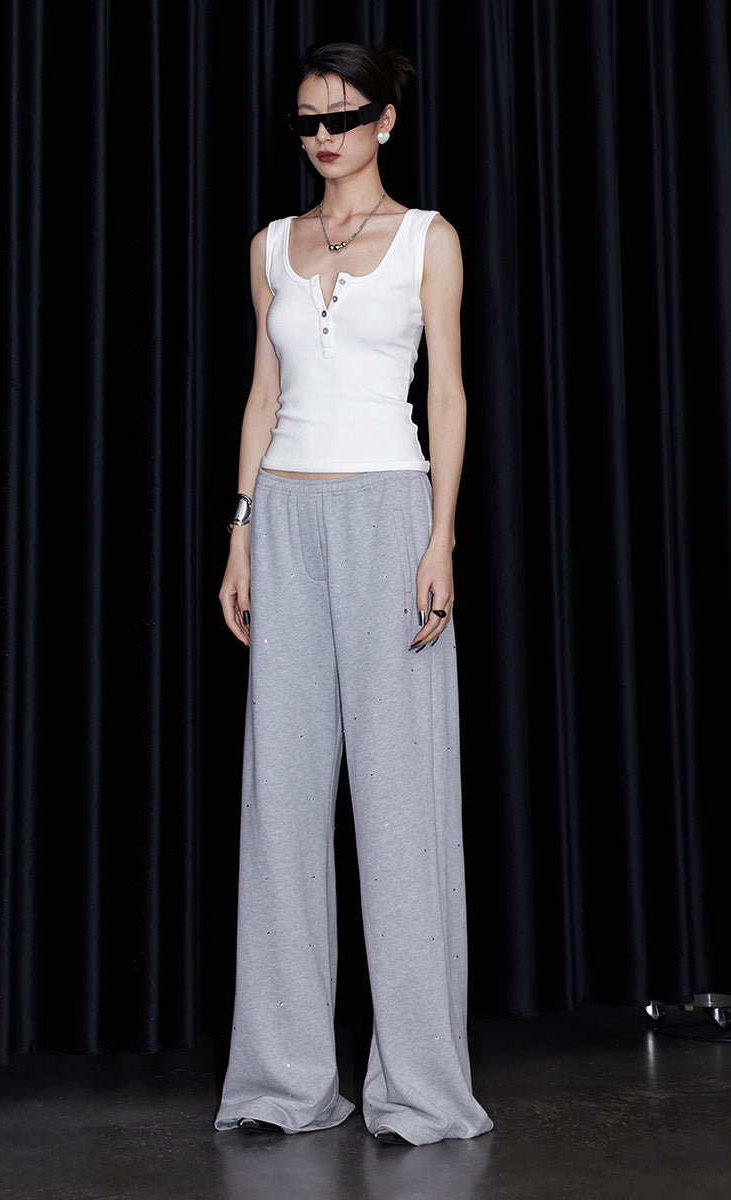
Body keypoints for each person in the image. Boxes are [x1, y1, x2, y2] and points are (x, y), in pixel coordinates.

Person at [215, 42, 493, 1147]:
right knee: (281, 807)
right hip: (285, 516)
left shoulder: (429, 238)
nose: (323, 136)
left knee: (399, 807)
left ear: (385, 121)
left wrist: (441, 538)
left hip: (390, 514)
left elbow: (451, 394)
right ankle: (284, 1081)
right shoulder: (270, 247)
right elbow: (262, 394)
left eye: (344, 116)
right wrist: (240, 533)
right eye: (306, 121)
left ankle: (419, 1091)